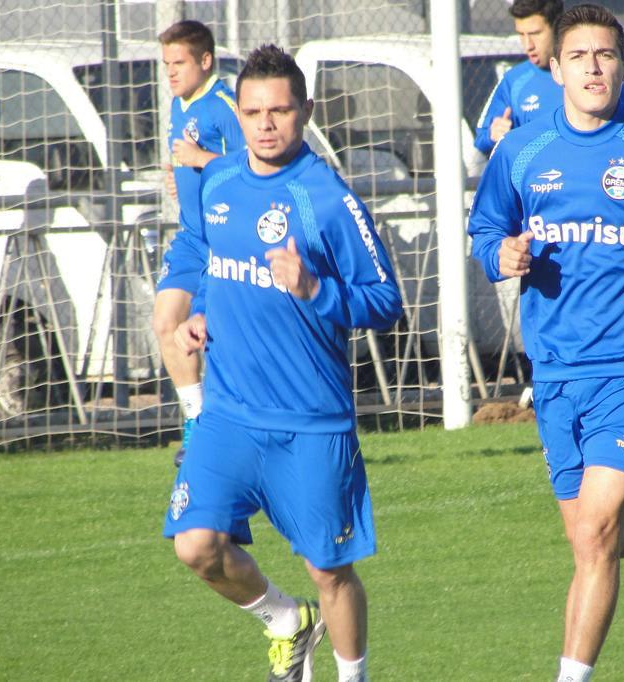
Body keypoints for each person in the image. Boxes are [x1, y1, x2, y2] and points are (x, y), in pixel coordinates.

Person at [468, 5, 624, 680]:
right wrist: (506, 255)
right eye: (578, 56)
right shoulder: (521, 150)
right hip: (555, 373)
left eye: (605, 55)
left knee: (594, 535)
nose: (592, 67)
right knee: (592, 532)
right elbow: (485, 230)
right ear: (554, 68)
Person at [163, 45, 402, 682]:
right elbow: (218, 261)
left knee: (329, 571)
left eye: (280, 110)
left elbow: (386, 301)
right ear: (235, 115)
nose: (266, 123)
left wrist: (315, 291)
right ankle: (282, 620)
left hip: (311, 423)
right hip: (230, 414)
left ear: (306, 112)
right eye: (253, 112)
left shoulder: (327, 199)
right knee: (196, 545)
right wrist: (205, 309)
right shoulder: (219, 181)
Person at [153, 20, 245, 467]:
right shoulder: (178, 103)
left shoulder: (225, 105)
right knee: (164, 322)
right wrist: (178, 173)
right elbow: (186, 160)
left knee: (217, 337)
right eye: (166, 63)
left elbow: (253, 169)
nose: (170, 72)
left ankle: (235, 427)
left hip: (226, 239)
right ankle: (196, 424)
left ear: (205, 61)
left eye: (179, 63)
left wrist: (199, 160)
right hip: (192, 236)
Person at [473, 0, 624, 156]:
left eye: (535, 33)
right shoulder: (514, 81)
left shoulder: (600, 77)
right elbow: (481, 139)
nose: (528, 45)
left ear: (555, 28)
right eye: (521, 34)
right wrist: (492, 135)